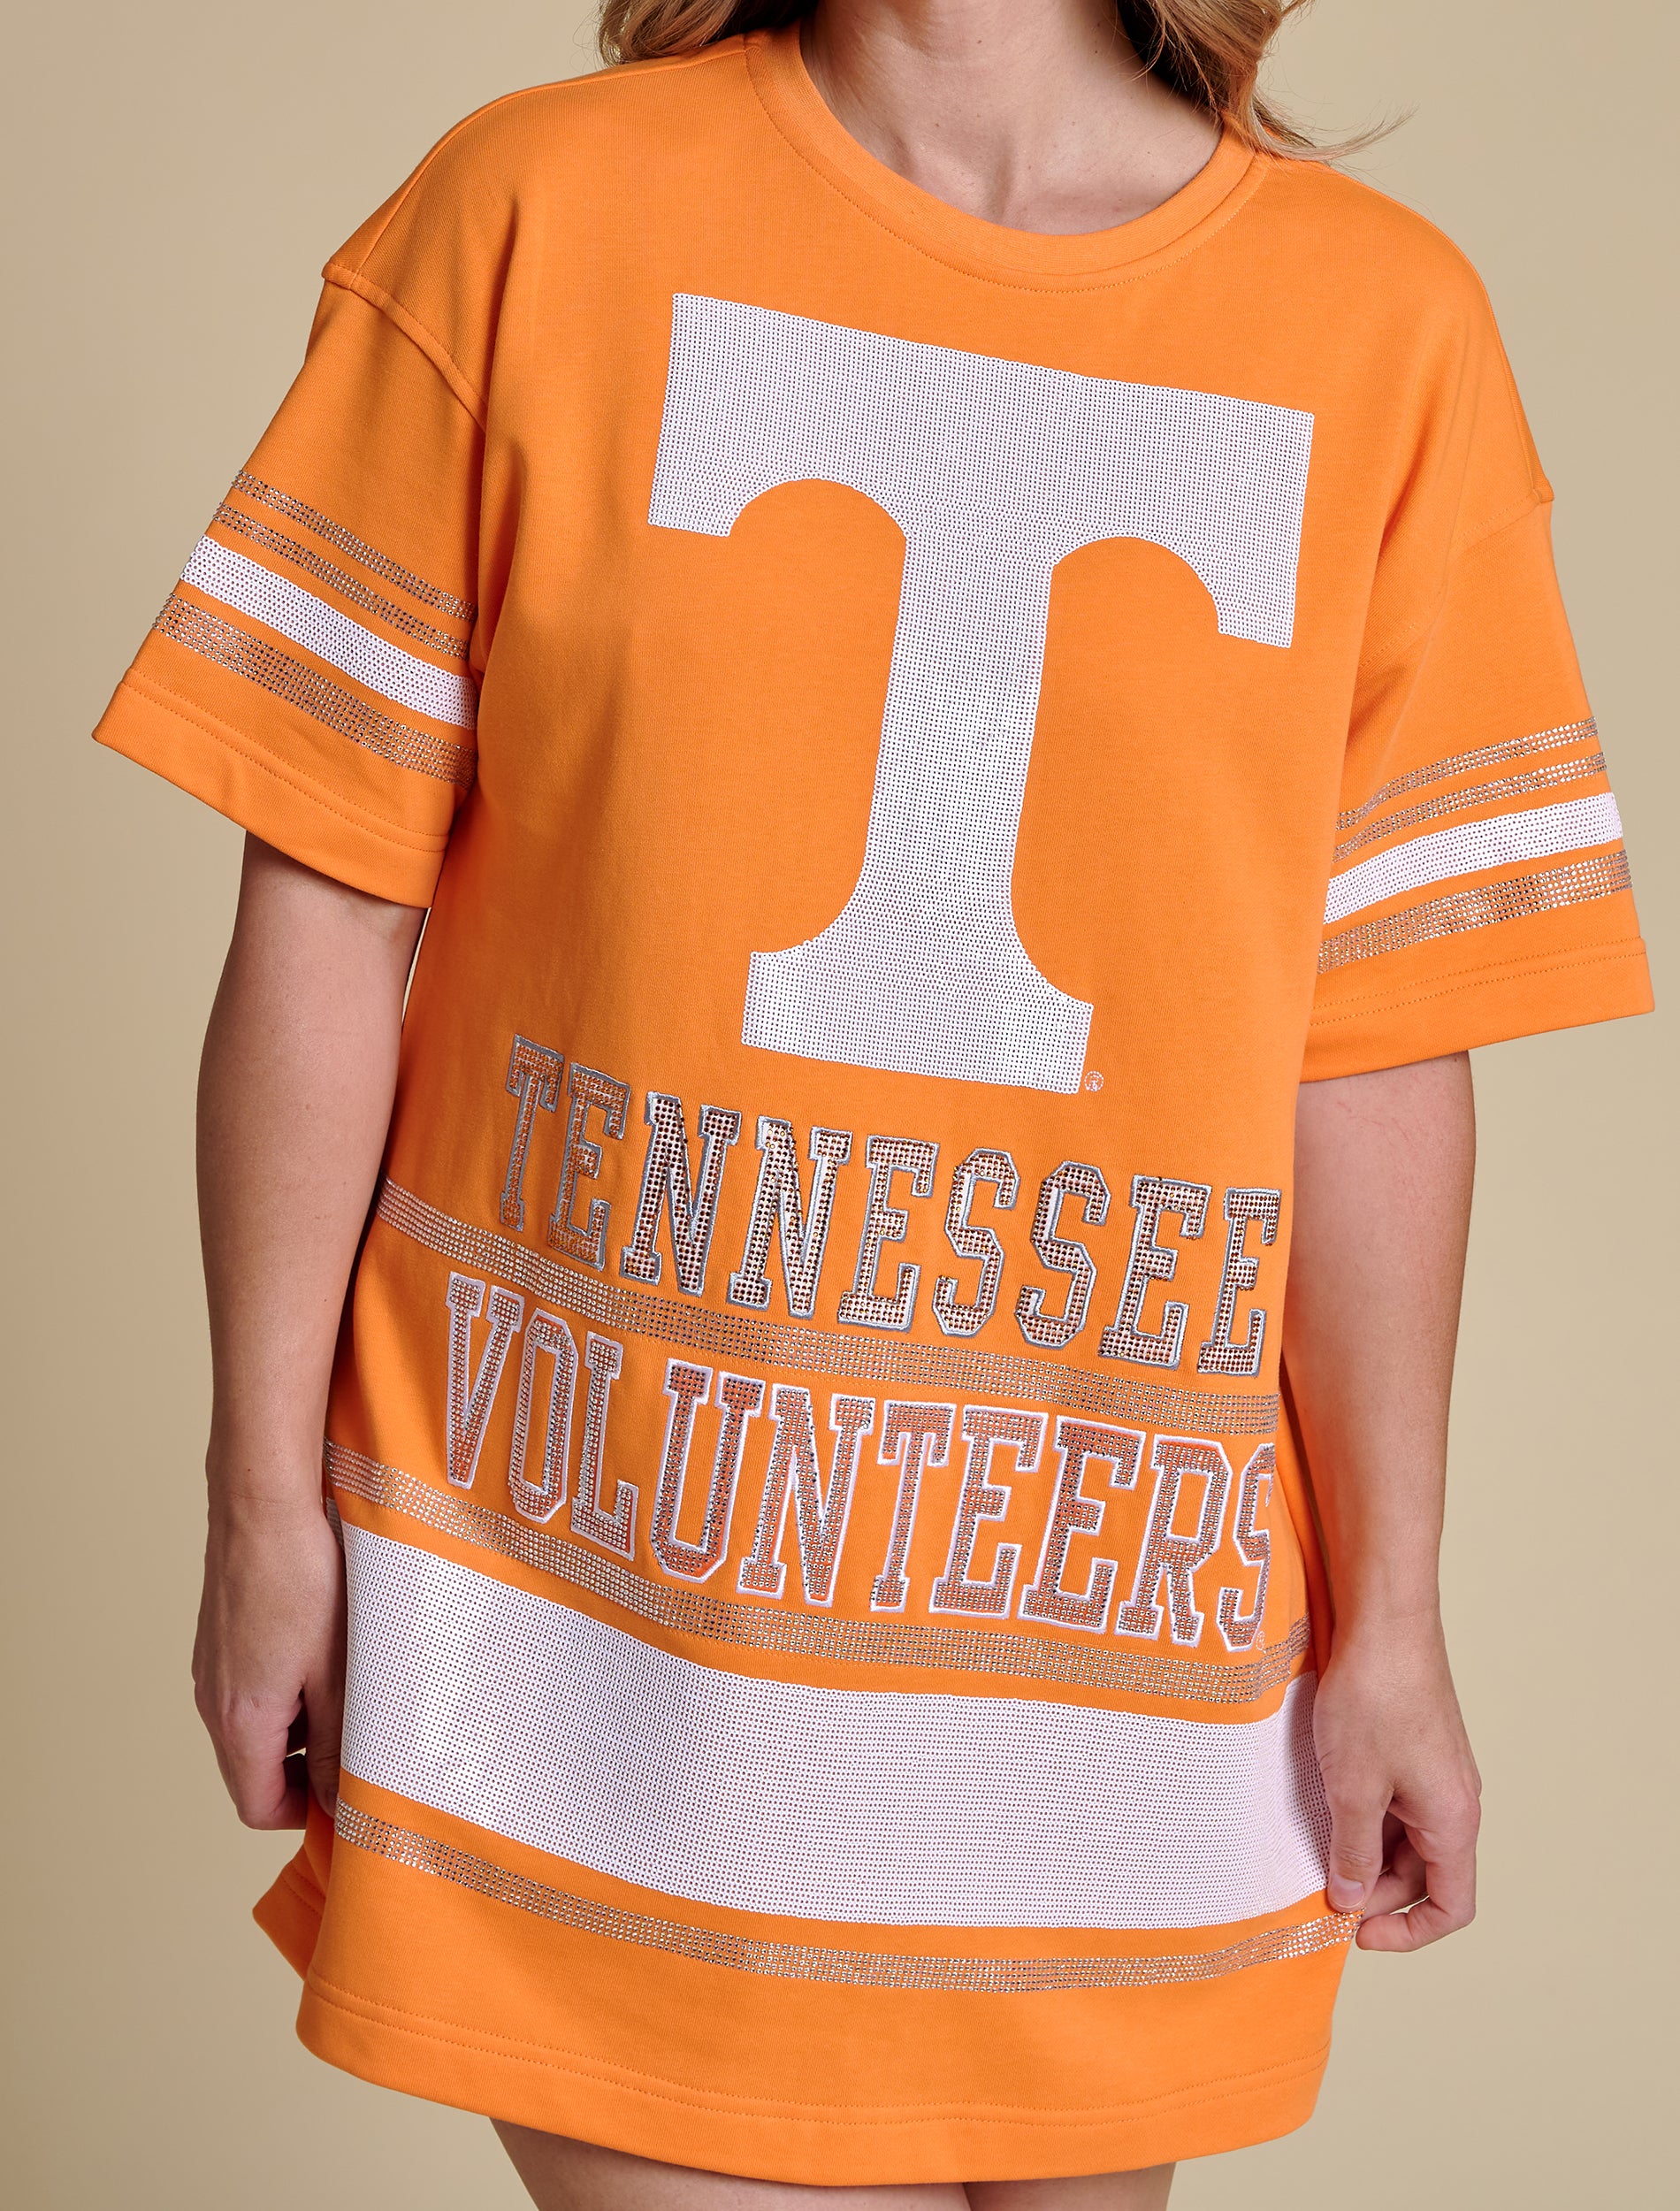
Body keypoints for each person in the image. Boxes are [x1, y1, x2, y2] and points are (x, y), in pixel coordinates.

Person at [94, 2, 1653, 2205]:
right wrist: (264, 1500)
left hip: (1111, 1631)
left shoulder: (1381, 327)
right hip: (598, 1603)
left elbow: (1372, 1031)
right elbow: (331, 902)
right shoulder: (536, 208)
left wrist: (1391, 1613)